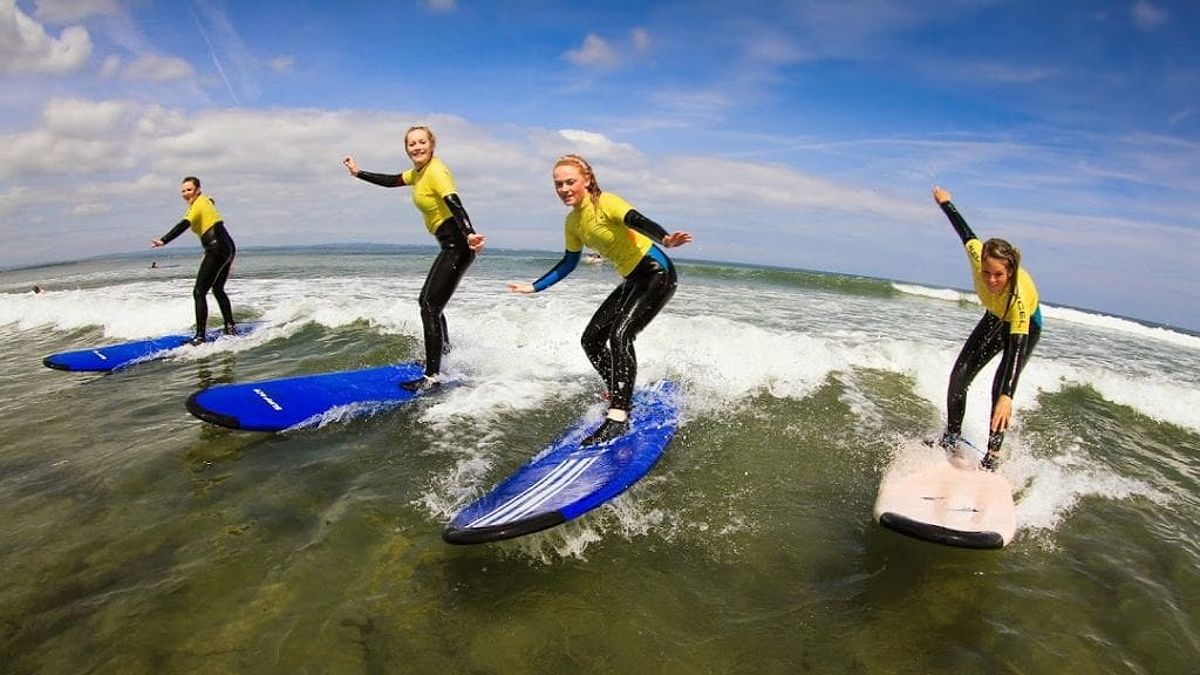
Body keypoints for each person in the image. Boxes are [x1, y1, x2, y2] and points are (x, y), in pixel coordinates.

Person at [508, 154, 692, 446]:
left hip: (657, 273)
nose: (564, 189)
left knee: (620, 335)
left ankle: (618, 416)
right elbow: (569, 262)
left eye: (570, 182)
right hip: (634, 279)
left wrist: (666, 238)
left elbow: (638, 221)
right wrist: (535, 287)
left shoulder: (606, 202)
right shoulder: (573, 222)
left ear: (587, 180)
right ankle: (617, 392)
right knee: (592, 339)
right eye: (559, 184)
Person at [343, 125, 486, 392]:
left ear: (432, 145)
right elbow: (391, 180)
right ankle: (443, 354)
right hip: (449, 246)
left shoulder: (436, 171)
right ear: (407, 149)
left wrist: (469, 233)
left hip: (458, 245)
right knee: (429, 303)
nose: (417, 147)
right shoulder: (418, 173)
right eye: (412, 144)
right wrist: (358, 173)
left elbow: (454, 201)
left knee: (429, 306)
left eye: (422, 142)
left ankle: (432, 376)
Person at [932, 186, 1042, 470]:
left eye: (999, 275)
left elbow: (1016, 349)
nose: (991, 280)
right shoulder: (977, 253)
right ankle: (951, 438)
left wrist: (1008, 395)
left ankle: (992, 456)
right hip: (995, 316)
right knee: (959, 376)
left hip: (1025, 324)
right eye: (986, 273)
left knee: (999, 389)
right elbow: (965, 231)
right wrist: (946, 203)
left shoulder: (1016, 296)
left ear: (1010, 272)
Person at [151, 176, 237, 346]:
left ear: (198, 189)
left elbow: (183, 224)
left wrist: (164, 240)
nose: (185, 193)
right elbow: (210, 207)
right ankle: (230, 327)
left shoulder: (198, 204)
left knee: (199, 292)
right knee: (217, 288)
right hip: (227, 247)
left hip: (216, 247)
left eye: (189, 189)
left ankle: (200, 337)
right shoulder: (204, 201)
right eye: (183, 191)